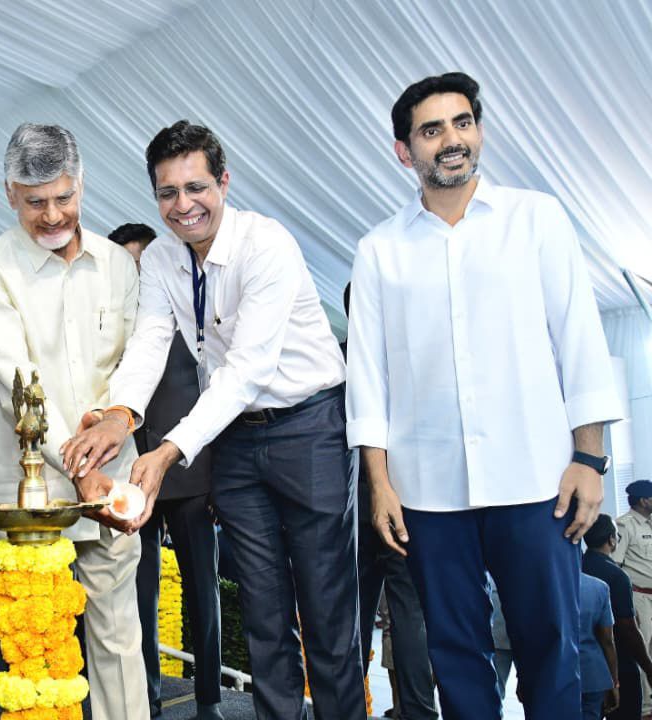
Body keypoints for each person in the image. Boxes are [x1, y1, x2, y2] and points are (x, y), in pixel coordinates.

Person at [64, 120, 362, 719]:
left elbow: (248, 369)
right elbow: (149, 341)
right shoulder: (164, 259)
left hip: (308, 428)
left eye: (196, 187)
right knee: (261, 608)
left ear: (224, 182)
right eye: (168, 193)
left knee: (326, 609)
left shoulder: (266, 244)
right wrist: (119, 415)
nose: (184, 206)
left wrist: (168, 450)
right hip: (234, 441)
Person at [346, 72, 622, 718]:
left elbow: (578, 340)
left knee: (551, 649)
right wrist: (381, 485)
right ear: (403, 150)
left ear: (480, 130)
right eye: (432, 129)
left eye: (463, 122)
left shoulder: (537, 218)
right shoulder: (379, 250)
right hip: (429, 494)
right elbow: (369, 381)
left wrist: (590, 460)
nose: (452, 140)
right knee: (454, 656)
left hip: (537, 484)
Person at [0, 123, 149, 720]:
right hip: (31, 499)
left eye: (63, 198)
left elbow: (128, 370)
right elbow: (16, 379)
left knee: (119, 638)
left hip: (112, 487)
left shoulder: (119, 264)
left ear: (82, 185)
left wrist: (107, 449)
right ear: (9, 194)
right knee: (37, 653)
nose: (51, 215)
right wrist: (81, 463)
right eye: (35, 201)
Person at [109, 222, 223, 720]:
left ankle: (209, 699)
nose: (137, 273)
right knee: (138, 594)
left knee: (203, 591)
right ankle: (146, 699)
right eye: (127, 266)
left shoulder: (190, 321)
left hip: (189, 475)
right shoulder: (107, 329)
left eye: (143, 262)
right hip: (128, 479)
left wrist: (215, 473)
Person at [344, 282, 438, 720]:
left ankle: (349, 707)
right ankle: (419, 711)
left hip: (351, 503)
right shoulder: (413, 361)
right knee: (409, 615)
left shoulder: (337, 359)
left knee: (352, 614)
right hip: (408, 501)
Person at [587, 513, 652, 720]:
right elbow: (628, 629)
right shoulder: (617, 575)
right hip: (620, 662)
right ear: (611, 540)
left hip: (587, 661)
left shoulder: (576, 568)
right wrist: (648, 666)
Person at [615, 479, 652, 715]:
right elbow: (615, 565)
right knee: (643, 650)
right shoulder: (624, 526)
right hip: (639, 598)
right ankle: (646, 706)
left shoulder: (650, 524)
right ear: (643, 500)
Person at [578, 573, 620, 719]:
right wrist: (614, 683)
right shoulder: (599, 587)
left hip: (553, 672)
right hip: (591, 675)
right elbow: (607, 640)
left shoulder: (545, 584)